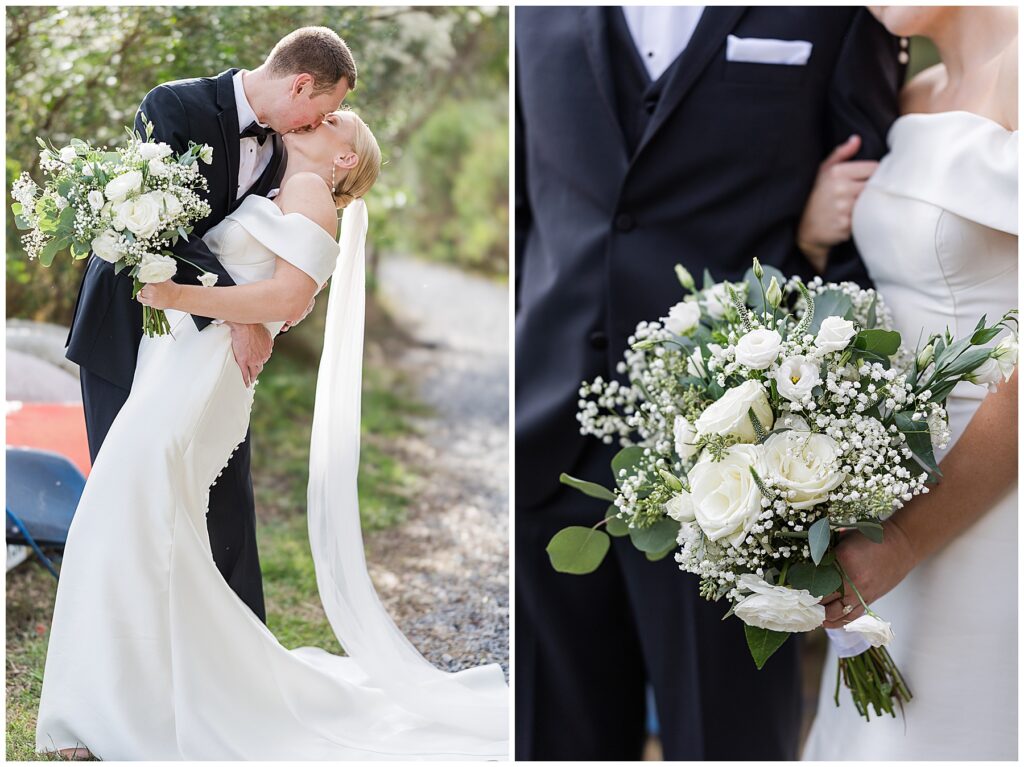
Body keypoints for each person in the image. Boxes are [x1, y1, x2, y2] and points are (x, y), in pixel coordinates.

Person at [35, 109, 509, 760]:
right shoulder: (282, 183)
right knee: (140, 518)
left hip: (196, 369)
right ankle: (142, 691)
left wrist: (179, 297)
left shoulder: (312, 190)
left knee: (128, 513)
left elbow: (288, 297)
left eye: (339, 120)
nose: (325, 118)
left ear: (345, 159)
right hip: (176, 363)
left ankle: (118, 703)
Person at [515, 6, 903, 760]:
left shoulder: (839, 15)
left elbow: (871, 244)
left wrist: (825, 450)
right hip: (549, 433)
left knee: (726, 740)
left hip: (741, 475)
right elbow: (535, 207)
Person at [63, 26, 356, 625]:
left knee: (227, 496)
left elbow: (276, 257)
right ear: (301, 85)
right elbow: (159, 227)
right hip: (129, 327)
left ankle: (240, 655)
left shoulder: (287, 150)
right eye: (324, 109)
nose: (320, 122)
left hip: (213, 350)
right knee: (129, 492)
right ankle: (128, 644)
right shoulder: (174, 104)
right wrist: (239, 312)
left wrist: (252, 319)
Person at [801, 6, 1017, 759]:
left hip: (990, 502)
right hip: (885, 495)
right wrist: (814, 233)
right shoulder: (912, 90)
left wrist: (906, 539)